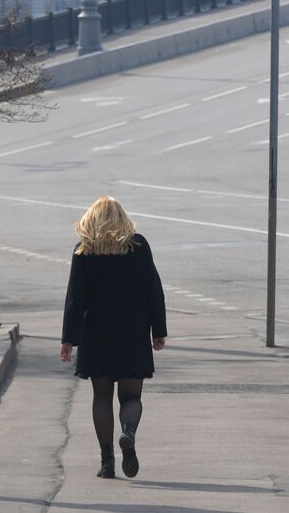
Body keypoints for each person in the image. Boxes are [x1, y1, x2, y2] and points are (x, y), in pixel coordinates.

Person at [60, 195, 167, 479]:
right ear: (122, 219)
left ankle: (107, 462)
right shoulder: (138, 246)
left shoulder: (84, 250)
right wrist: (159, 331)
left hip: (96, 334)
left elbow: (75, 298)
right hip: (132, 332)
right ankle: (128, 432)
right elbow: (153, 290)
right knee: (131, 397)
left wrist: (68, 339)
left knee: (102, 396)